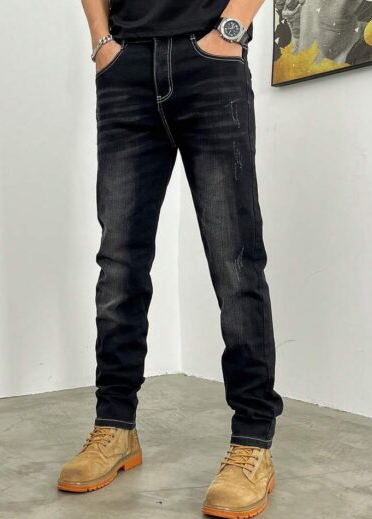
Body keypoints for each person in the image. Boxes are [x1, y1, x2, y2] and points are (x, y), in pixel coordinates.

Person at [57, 1, 284, 517]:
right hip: (125, 67)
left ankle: (253, 442)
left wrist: (230, 30)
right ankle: (115, 427)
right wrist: (101, 43)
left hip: (211, 62)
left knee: (235, 262)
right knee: (119, 263)